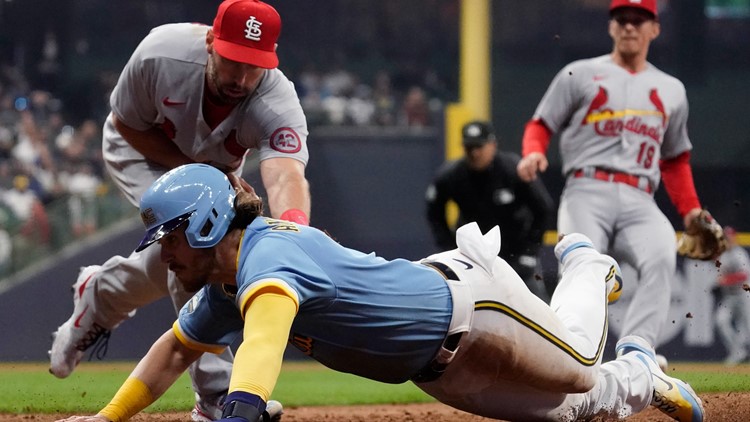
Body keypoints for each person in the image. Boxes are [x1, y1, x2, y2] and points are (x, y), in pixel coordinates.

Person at [56, 163, 704, 422]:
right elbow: (174, 350)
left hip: (475, 305)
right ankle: (644, 377)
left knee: (579, 368)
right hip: (436, 371)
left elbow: (264, 344)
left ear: (204, 225)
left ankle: (587, 265)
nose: (165, 255)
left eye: (170, 238)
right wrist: (106, 420)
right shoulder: (228, 283)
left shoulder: (269, 256)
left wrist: (242, 408)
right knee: (568, 412)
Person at [48, 1, 309, 420]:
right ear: (211, 41)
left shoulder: (275, 98)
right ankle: (216, 396)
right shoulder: (161, 54)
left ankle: (101, 294)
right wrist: (201, 170)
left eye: (255, 65)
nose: (242, 77)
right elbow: (127, 125)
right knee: (195, 239)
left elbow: (285, 175)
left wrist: (295, 233)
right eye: (233, 61)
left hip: (213, 174)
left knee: (177, 258)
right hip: (139, 152)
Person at [516, 0, 711, 366]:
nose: (630, 27)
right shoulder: (580, 74)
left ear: (655, 28)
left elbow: (674, 159)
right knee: (580, 263)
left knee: (661, 255)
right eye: (622, 19)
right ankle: (571, 353)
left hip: (641, 197)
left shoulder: (671, 90)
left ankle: (637, 352)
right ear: (611, 27)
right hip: (586, 190)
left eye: (640, 20)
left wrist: (690, 210)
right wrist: (532, 151)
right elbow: (540, 124)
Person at [426, 120, 554, 299]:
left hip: (515, 254)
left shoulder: (512, 169)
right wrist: (449, 247)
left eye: (479, 146)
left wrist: (529, 251)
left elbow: (543, 208)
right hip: (472, 258)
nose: (474, 153)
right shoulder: (452, 175)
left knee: (536, 306)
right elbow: (434, 212)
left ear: (493, 145)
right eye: (469, 147)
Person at [713, 226, 750, 366]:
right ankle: (738, 351)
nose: (727, 241)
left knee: (747, 328)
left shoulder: (739, 254)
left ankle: (739, 351)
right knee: (721, 321)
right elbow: (721, 277)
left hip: (744, 295)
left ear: (734, 238)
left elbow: (744, 275)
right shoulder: (723, 256)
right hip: (729, 297)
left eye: (729, 238)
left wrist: (725, 280)